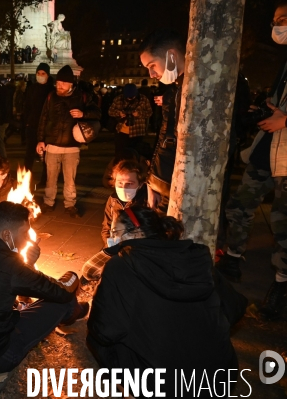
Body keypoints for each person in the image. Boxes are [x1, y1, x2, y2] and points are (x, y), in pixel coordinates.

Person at [87, 206, 240, 396]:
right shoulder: (195, 257)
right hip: (219, 378)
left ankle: (130, 386)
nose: (112, 238)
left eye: (115, 232)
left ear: (137, 233)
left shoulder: (120, 266)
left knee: (100, 340)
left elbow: (105, 331)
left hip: (166, 386)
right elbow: (234, 307)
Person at [0, 201, 88, 373]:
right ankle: (71, 313)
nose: (28, 239)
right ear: (6, 235)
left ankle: (70, 313)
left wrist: (27, 266)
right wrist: (71, 275)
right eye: (25, 233)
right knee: (64, 296)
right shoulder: (12, 267)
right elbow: (60, 292)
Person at [216, 0, 287, 321]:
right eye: (276, 20)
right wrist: (267, 111)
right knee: (239, 205)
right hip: (266, 149)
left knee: (282, 223)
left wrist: (284, 121)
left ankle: (281, 287)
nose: (278, 26)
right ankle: (232, 258)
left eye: (283, 19)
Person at [36, 65, 101, 218]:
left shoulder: (82, 97)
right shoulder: (51, 96)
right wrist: (40, 140)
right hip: (52, 145)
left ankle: (70, 204)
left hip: (72, 146)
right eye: (58, 82)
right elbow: (43, 118)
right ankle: (48, 202)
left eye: (63, 83)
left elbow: (97, 113)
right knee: (50, 178)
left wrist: (83, 113)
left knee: (70, 179)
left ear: (71, 84)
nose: (59, 85)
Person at [139, 29, 186, 213]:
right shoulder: (174, 90)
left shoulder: (193, 89)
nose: (151, 74)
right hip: (169, 180)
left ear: (172, 55)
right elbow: (165, 137)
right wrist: (154, 181)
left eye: (152, 65)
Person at [101, 160, 148, 246]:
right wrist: (109, 245)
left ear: (140, 184)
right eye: (120, 183)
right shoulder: (113, 200)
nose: (124, 187)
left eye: (129, 183)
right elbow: (106, 228)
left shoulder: (147, 203)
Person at [23, 63, 54, 179]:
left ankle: (45, 179)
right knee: (29, 153)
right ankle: (25, 177)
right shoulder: (32, 88)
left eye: (43, 73)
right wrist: (26, 121)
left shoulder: (51, 90)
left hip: (46, 127)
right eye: (38, 73)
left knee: (46, 156)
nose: (40, 75)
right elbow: (27, 106)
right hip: (32, 125)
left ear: (47, 75)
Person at [108, 83, 153, 157]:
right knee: (120, 154)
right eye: (128, 97)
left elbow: (150, 112)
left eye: (132, 97)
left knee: (136, 154)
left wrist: (139, 114)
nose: (130, 99)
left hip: (137, 132)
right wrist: (119, 113)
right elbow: (110, 111)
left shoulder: (143, 99)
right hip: (121, 132)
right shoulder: (118, 99)